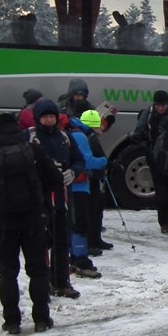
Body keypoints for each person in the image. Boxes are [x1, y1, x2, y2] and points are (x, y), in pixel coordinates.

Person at [0, 113, 63, 334]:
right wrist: (41, 198)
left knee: (8, 273)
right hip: (33, 220)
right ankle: (41, 319)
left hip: (3, 223)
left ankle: (12, 321)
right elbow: (56, 178)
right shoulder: (33, 150)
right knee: (38, 271)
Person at [31, 98, 84, 298]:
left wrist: (73, 172)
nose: (49, 120)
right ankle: (43, 282)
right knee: (42, 241)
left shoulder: (65, 137)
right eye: (45, 117)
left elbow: (79, 160)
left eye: (51, 117)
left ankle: (61, 281)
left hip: (62, 194)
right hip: (41, 195)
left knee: (62, 239)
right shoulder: (31, 137)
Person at [131, 90, 168, 234]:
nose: (161, 108)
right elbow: (140, 128)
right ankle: (164, 223)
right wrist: (137, 136)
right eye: (158, 105)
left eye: (163, 105)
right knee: (160, 192)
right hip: (155, 156)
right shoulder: (148, 114)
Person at [67, 113, 107, 278]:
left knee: (71, 222)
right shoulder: (80, 136)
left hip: (67, 185)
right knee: (80, 223)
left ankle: (72, 257)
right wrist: (104, 161)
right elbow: (87, 161)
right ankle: (81, 260)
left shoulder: (68, 133)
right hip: (79, 185)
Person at [78, 109, 113, 255]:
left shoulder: (85, 135)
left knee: (95, 209)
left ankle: (95, 239)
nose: (102, 128)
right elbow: (91, 159)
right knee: (93, 210)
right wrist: (104, 162)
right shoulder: (90, 138)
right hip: (90, 178)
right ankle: (92, 241)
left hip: (91, 177)